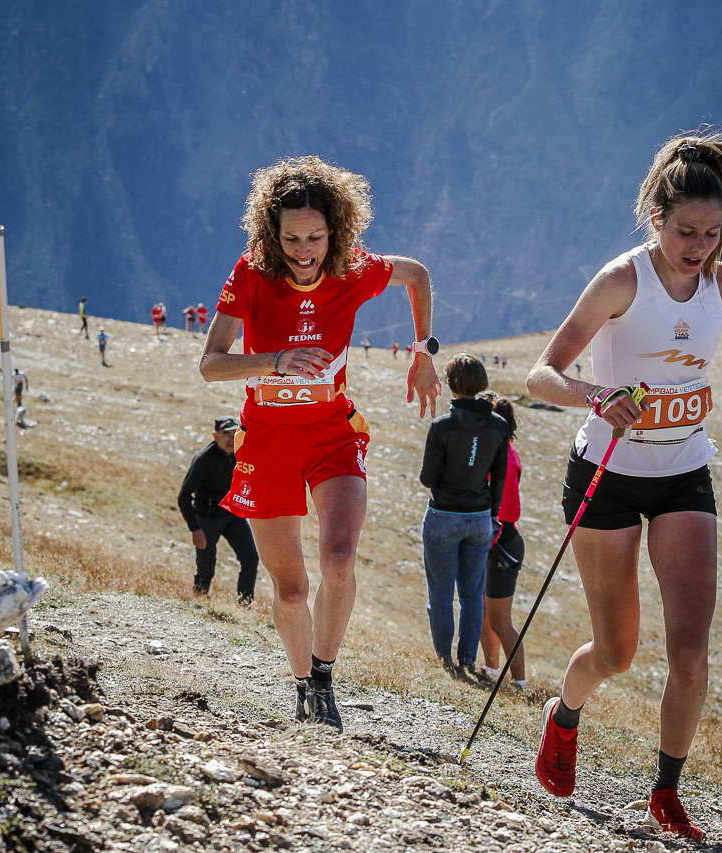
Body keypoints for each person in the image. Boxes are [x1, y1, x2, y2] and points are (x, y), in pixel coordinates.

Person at [524, 130, 722, 840]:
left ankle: (665, 791)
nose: (699, 245)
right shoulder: (622, 279)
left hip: (684, 470)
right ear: (656, 216)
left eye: (713, 232)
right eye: (686, 230)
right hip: (608, 472)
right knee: (616, 652)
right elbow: (542, 373)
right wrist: (597, 395)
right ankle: (564, 717)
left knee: (690, 649)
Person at [199, 155, 441, 732]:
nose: (303, 250)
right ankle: (303, 682)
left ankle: (326, 678)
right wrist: (275, 361)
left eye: (314, 236)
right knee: (290, 587)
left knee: (338, 557)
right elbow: (210, 365)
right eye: (290, 238)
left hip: (333, 431)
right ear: (269, 233)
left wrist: (424, 352)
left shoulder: (353, 269)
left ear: (335, 232)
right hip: (269, 438)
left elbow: (418, 274)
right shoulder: (252, 273)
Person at [418, 354, 508, 677]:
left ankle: (444, 658)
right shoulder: (499, 426)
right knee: (472, 594)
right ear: (481, 382)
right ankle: (467, 659)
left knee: (440, 594)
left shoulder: (442, 427)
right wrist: (492, 513)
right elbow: (499, 478)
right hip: (481, 517)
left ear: (452, 384)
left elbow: (427, 478)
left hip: (443, 514)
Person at [178, 416, 261, 604]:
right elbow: (184, 496)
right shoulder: (203, 459)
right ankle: (199, 601)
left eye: (235, 434)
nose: (231, 439)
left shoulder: (241, 454)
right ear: (215, 436)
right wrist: (195, 529)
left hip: (233, 515)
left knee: (250, 558)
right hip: (206, 518)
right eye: (226, 434)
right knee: (206, 566)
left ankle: (244, 605)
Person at [477, 391, 526, 690]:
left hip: (500, 543)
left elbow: (507, 508)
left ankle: (520, 682)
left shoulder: (502, 456)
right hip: (499, 540)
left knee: (500, 620)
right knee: (486, 614)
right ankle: (491, 670)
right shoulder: (504, 450)